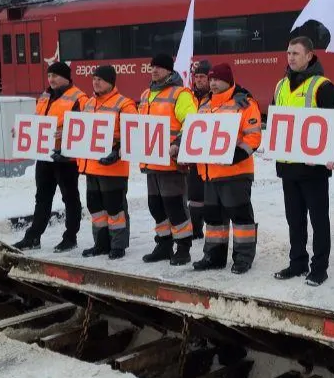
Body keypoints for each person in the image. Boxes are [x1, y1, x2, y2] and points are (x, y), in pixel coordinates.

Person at [271, 35, 334, 286]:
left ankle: (319, 268)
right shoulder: (280, 85)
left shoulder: (323, 86)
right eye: (288, 53)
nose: (291, 58)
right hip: (287, 165)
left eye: (296, 53)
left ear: (309, 56)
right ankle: (297, 262)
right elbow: (276, 120)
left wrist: (330, 155)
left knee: (318, 219)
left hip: (313, 168)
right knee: (295, 219)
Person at [193, 63, 263, 273]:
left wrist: (237, 155)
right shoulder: (204, 105)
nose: (213, 83)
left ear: (229, 80)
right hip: (209, 173)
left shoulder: (244, 103)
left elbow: (253, 136)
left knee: (240, 218)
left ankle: (243, 258)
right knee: (213, 220)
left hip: (235, 173)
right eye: (211, 79)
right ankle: (214, 256)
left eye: (217, 79)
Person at [14, 61, 88, 252]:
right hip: (45, 156)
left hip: (66, 158)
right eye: (49, 75)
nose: (51, 79)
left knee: (70, 199)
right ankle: (33, 237)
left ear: (66, 77)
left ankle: (70, 237)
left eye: (55, 75)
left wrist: (67, 134)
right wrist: (23, 131)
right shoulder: (45, 96)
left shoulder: (79, 98)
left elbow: (86, 127)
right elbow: (37, 120)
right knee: (42, 198)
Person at [137, 53, 199, 266]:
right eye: (152, 66)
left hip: (171, 162)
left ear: (169, 70)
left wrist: (178, 144)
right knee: (155, 206)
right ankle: (164, 245)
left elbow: (191, 121)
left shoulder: (180, 94)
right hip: (151, 162)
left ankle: (183, 247)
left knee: (175, 207)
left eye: (159, 67)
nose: (154, 70)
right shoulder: (146, 94)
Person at [77, 65, 137, 259]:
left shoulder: (124, 104)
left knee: (115, 209)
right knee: (96, 208)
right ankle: (101, 244)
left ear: (111, 82)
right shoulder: (89, 103)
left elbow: (133, 134)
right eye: (94, 79)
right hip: (92, 166)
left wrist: (117, 152)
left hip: (113, 168)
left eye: (100, 79)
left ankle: (118, 246)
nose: (96, 82)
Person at [186, 59, 213, 241]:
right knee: (194, 194)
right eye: (197, 77)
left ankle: (211, 227)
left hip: (211, 152)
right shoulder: (188, 97)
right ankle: (196, 229)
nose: (199, 80)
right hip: (193, 153)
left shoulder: (215, 96)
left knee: (210, 195)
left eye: (203, 77)